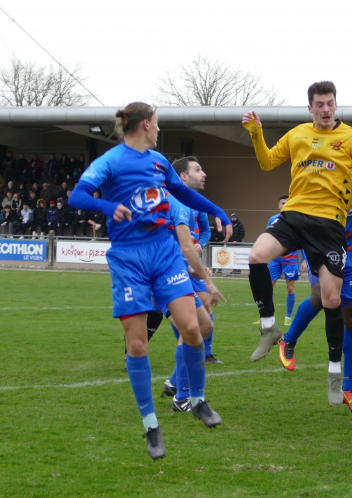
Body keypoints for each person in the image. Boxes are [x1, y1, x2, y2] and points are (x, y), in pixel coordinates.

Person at [68, 102, 231, 460]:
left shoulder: (158, 162)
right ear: (145, 124)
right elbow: (77, 196)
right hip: (128, 258)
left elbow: (183, 193)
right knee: (138, 346)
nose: (159, 129)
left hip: (163, 251)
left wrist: (215, 210)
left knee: (193, 328)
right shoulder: (111, 161)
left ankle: (198, 400)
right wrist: (108, 208)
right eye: (157, 124)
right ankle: (151, 425)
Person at [241, 81, 352, 416]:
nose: (326, 109)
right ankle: (273, 329)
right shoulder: (298, 134)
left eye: (330, 103)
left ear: (336, 105)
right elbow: (266, 162)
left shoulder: (351, 139)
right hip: (296, 217)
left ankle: (347, 381)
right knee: (256, 256)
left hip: (333, 232)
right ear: (310, 108)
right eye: (319, 104)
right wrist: (256, 133)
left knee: (346, 309)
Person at [277, 173, 352, 418]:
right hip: (322, 248)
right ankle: (288, 339)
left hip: (350, 252)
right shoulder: (322, 172)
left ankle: (349, 388)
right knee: (321, 297)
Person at [159, 156, 226, 412]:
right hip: (163, 275)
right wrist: (207, 280)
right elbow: (184, 246)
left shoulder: (186, 203)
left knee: (204, 325)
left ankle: (176, 384)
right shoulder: (177, 201)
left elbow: (181, 246)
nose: (204, 173)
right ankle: (182, 396)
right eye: (198, 169)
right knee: (193, 328)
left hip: (176, 271)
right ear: (183, 177)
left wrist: (192, 269)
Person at [266, 195, 302, 327]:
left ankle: (288, 316)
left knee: (290, 288)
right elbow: (268, 237)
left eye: (287, 203)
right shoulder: (273, 219)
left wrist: (304, 260)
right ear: (278, 205)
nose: (284, 205)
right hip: (275, 259)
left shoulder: (296, 220)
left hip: (291, 260)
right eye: (282, 203)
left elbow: (302, 240)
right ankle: (268, 316)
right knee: (268, 288)